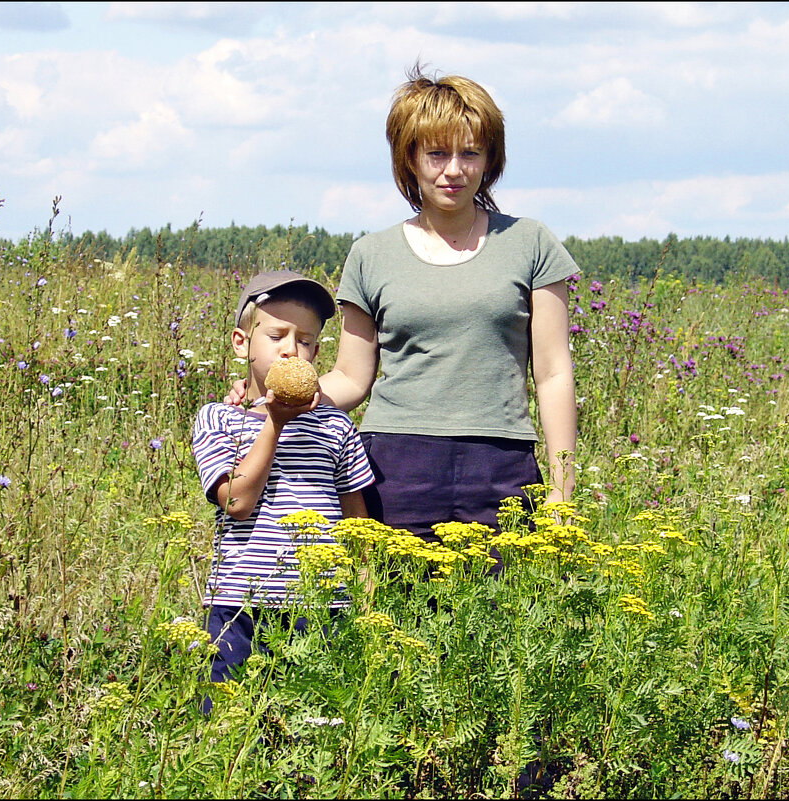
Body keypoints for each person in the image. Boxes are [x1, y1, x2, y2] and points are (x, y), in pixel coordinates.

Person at [229, 64, 578, 566]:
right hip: (397, 466)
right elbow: (351, 376)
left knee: (508, 626)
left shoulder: (531, 243)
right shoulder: (372, 254)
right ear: (409, 158)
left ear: (489, 159)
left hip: (501, 463)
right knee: (401, 622)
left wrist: (562, 489)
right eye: (437, 153)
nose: (453, 170)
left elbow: (552, 371)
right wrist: (276, 394)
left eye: (470, 152)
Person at [191, 270, 375, 700]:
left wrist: (364, 592)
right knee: (227, 729)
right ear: (241, 343)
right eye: (277, 335)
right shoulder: (220, 419)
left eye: (307, 340)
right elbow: (235, 500)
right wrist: (274, 422)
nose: (292, 349)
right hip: (239, 605)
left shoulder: (335, 425)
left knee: (314, 734)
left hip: (323, 604)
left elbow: (357, 523)